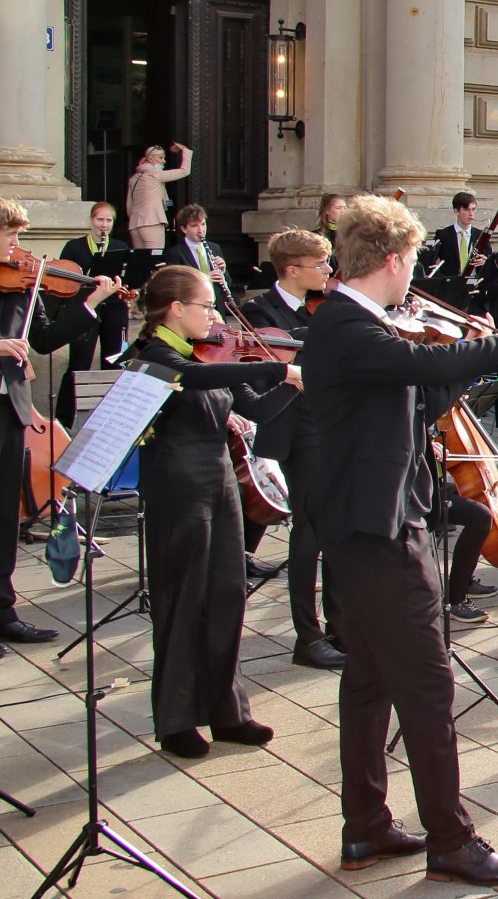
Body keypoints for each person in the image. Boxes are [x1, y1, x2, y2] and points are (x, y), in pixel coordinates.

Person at [301, 193, 498, 885]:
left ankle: (367, 826)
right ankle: (451, 839)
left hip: (369, 518)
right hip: (376, 531)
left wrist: (470, 364)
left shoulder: (365, 330)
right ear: (393, 260)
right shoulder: (349, 327)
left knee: (370, 680)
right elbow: (418, 370)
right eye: (412, 259)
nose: (415, 273)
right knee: (427, 682)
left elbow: (419, 401)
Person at [132, 264, 301, 757]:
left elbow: (254, 409)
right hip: (176, 485)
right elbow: (192, 378)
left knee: (228, 594)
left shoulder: (211, 350)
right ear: (175, 309)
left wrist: (290, 386)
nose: (215, 316)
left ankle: (228, 711)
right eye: (206, 306)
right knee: (182, 600)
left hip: (219, 480)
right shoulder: (152, 356)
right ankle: (177, 718)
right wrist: (276, 368)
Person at [1, 198, 118, 648]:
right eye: (11, 235)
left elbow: (46, 340)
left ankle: (4, 610)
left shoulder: (20, 288)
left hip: (9, 411)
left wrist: (91, 301)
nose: (19, 245)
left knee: (3, 516)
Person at [241, 228, 344, 669]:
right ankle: (308, 635)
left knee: (337, 527)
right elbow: (260, 376)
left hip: (333, 424)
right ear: (291, 270)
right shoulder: (257, 311)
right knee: (309, 531)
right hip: (297, 429)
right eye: (319, 264)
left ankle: (343, 627)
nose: (327, 270)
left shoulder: (329, 306)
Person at [56, 201, 132, 425]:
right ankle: (65, 418)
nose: (104, 225)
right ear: (91, 221)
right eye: (100, 220)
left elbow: (124, 278)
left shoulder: (119, 245)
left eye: (109, 221)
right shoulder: (74, 246)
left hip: (113, 307)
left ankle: (110, 418)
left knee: (114, 361)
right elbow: (64, 278)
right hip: (84, 308)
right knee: (79, 362)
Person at [126, 142, 192, 250]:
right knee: (155, 258)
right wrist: (185, 150)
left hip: (135, 225)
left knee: (141, 261)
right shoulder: (155, 174)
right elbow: (184, 171)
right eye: (160, 158)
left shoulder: (134, 178)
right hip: (152, 223)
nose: (164, 161)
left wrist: (168, 208)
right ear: (151, 159)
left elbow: (129, 205)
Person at [162, 204, 228, 296]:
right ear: (184, 229)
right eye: (194, 226)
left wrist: (223, 271)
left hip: (216, 306)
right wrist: (204, 278)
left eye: (203, 224)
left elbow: (228, 283)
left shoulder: (215, 248)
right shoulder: (175, 253)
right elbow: (175, 286)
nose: (201, 230)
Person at [428, 191, 488, 284]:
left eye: (473, 209)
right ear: (456, 211)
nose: (471, 213)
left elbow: (490, 262)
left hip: (474, 284)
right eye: (466, 210)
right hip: (450, 286)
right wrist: (443, 281)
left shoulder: (481, 235)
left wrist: (485, 261)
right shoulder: (443, 235)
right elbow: (431, 264)